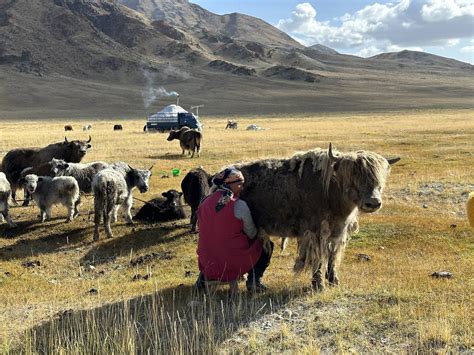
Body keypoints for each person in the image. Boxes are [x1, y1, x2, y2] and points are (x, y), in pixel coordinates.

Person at [195, 167, 273, 292]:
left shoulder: (204, 202)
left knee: (211, 242)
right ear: (228, 184)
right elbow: (251, 233)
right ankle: (254, 280)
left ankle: (203, 277)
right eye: (240, 184)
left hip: (206, 261)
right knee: (266, 244)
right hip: (231, 262)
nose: (242, 188)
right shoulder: (239, 205)